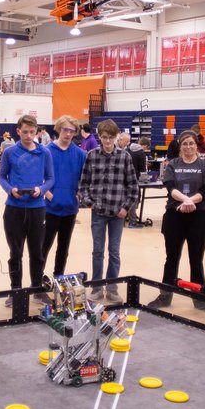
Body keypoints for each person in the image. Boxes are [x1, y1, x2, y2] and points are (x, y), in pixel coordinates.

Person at [147, 131, 205, 313]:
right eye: (185, 144)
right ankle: (165, 295)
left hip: (198, 216)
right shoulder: (173, 165)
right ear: (180, 146)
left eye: (191, 143)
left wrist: (190, 201)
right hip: (174, 215)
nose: (188, 147)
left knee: (196, 259)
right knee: (171, 258)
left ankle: (199, 298)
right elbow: (170, 188)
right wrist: (185, 200)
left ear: (196, 145)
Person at [78, 119, 138, 301]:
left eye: (111, 137)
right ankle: (97, 288)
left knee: (114, 251)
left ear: (116, 136)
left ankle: (112, 288)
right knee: (97, 250)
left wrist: (125, 208)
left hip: (117, 214)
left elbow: (133, 187)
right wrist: (90, 202)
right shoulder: (91, 155)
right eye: (104, 137)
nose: (107, 141)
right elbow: (83, 184)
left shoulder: (125, 157)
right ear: (99, 136)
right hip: (98, 212)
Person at [0, 114, 54, 303]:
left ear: (37, 131)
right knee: (15, 252)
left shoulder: (45, 152)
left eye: (32, 132)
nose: (28, 136)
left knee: (37, 252)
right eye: (25, 132)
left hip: (37, 209)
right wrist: (10, 190)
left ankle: (37, 288)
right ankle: (16, 291)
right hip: (14, 209)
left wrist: (41, 189)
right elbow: (2, 177)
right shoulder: (10, 152)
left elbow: (51, 178)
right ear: (18, 131)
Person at [42, 115, 87, 277]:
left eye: (72, 131)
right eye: (65, 130)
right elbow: (38, 175)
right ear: (59, 129)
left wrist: (80, 194)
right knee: (44, 246)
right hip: (50, 208)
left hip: (70, 209)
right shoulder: (46, 151)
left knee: (63, 248)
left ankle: (58, 277)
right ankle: (37, 282)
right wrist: (47, 194)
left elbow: (86, 177)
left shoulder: (80, 154)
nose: (68, 134)